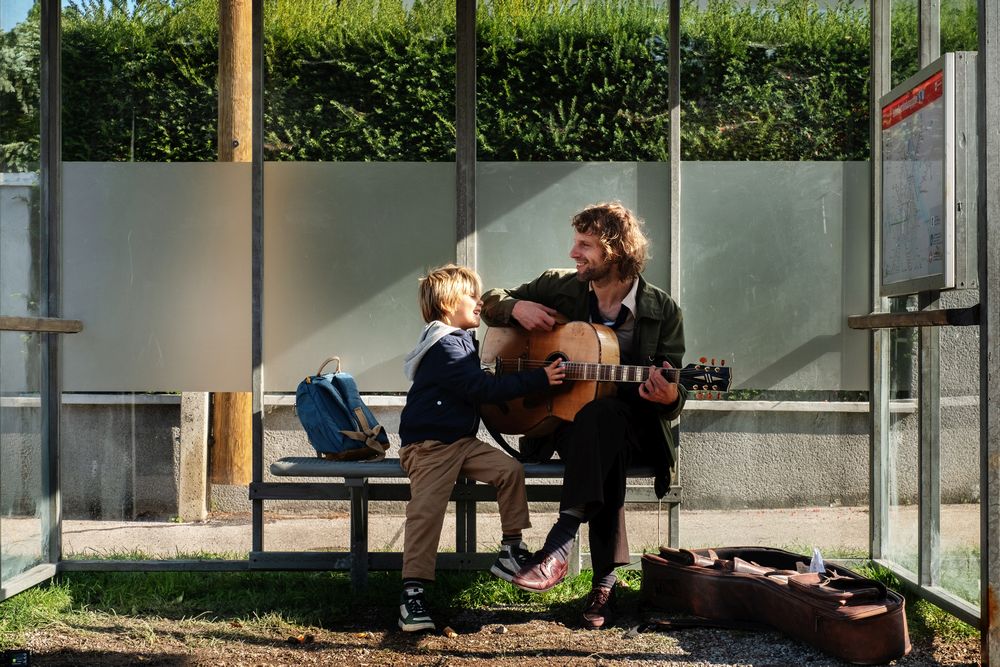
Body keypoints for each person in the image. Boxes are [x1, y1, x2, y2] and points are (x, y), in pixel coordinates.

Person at [480, 202, 686, 630]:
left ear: (613, 250)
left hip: (636, 427)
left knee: (603, 418)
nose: (574, 253)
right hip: (559, 425)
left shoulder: (661, 310)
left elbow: (676, 390)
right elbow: (489, 300)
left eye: (585, 245)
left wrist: (667, 397)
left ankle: (559, 543)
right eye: (576, 243)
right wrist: (515, 309)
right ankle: (604, 586)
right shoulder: (560, 286)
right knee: (596, 430)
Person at [397, 264, 565, 633]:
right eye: (471, 296)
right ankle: (412, 594)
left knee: (509, 471)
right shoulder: (444, 344)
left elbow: (478, 387)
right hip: (430, 448)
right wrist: (539, 379)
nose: (479, 302)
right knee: (426, 513)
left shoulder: (458, 341)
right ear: (446, 303)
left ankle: (510, 549)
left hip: (460, 443)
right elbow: (481, 390)